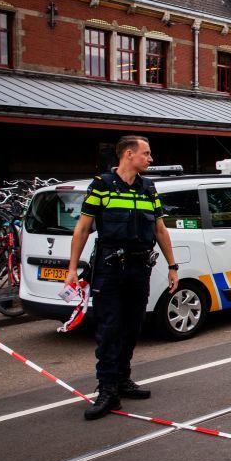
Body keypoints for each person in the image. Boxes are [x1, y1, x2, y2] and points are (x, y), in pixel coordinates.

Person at [65, 135, 178, 421]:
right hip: (109, 267)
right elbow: (82, 229)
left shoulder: (149, 188)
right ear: (129, 154)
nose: (150, 159)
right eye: (147, 153)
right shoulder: (101, 186)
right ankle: (107, 390)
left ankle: (123, 380)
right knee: (108, 328)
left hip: (140, 268)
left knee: (132, 326)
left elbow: (160, 230)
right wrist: (71, 269)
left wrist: (172, 266)